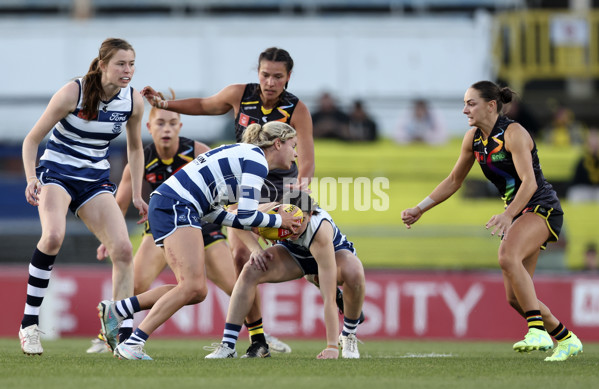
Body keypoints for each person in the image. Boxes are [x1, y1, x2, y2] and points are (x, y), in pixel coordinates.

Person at [141, 47, 317, 354]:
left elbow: (306, 160)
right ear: (257, 73)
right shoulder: (240, 94)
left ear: (288, 78)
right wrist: (165, 103)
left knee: (306, 247)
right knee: (242, 258)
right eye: (264, 74)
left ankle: (330, 290)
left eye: (277, 76)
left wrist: (299, 193)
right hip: (243, 186)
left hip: (277, 189)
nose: (270, 82)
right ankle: (257, 338)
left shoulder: (297, 109)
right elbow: (204, 105)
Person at [401, 80, 583, 362]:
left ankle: (537, 330)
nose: (464, 110)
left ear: (491, 106)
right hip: (518, 213)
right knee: (515, 298)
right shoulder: (473, 139)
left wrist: (509, 214)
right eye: (464, 103)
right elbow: (453, 180)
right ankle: (566, 338)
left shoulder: (514, 133)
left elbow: (529, 182)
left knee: (507, 255)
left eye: (470, 103)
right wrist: (421, 208)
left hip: (541, 208)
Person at [98, 122, 302, 360]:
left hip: (175, 205)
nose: (296, 153)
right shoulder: (257, 161)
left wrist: (264, 226)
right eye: (293, 146)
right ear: (278, 143)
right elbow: (246, 214)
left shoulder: (246, 155)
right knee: (192, 286)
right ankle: (133, 343)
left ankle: (119, 309)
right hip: (176, 205)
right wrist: (279, 221)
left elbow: (215, 212)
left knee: (194, 290)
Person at [19, 38, 147, 355]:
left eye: (132, 63)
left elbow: (135, 148)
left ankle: (118, 336)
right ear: (102, 64)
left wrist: (138, 193)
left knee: (121, 250)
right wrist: (31, 178)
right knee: (52, 237)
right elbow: (32, 139)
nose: (128, 70)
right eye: (121, 63)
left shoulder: (133, 102)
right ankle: (28, 326)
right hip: (57, 174)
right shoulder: (72, 93)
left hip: (93, 181)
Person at [86, 90, 234, 353]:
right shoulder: (140, 160)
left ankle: (259, 338)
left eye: (172, 123)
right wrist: (109, 238)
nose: (166, 129)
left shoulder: (198, 151)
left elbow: (223, 192)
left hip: (205, 227)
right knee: (136, 284)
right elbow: (119, 202)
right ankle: (111, 334)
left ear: (180, 126)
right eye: (160, 123)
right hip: (163, 227)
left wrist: (237, 233)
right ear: (149, 127)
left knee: (236, 284)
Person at [204, 193, 365, 359]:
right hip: (293, 256)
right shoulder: (271, 212)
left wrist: (331, 347)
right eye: (291, 220)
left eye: (300, 220)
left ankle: (348, 335)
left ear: (310, 215)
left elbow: (329, 298)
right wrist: (255, 249)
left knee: (354, 272)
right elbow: (233, 219)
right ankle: (228, 345)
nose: (294, 227)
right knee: (249, 270)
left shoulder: (320, 233)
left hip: (333, 255)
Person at [567, 127, 599, 202]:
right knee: (575, 195)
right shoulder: (582, 159)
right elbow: (576, 179)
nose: (593, 147)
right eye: (591, 144)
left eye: (596, 143)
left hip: (597, 189)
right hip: (584, 188)